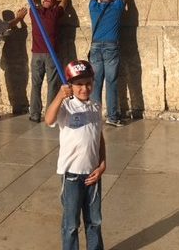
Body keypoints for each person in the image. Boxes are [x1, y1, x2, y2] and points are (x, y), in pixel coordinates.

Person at [45, 60, 106, 250]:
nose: (84, 88)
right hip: (71, 175)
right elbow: (49, 119)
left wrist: (102, 164)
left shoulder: (95, 107)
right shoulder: (66, 107)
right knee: (71, 224)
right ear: (70, 85)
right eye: (79, 84)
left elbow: (99, 138)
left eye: (88, 83)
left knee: (94, 221)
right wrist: (58, 97)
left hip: (93, 174)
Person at [29, 0, 71, 123]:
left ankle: (34, 114)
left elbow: (33, 0)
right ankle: (49, 114)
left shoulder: (36, 13)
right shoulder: (54, 14)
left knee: (36, 85)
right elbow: (65, 1)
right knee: (52, 85)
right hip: (50, 55)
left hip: (36, 54)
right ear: (54, 5)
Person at [88, 0, 126, 127]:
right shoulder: (117, 7)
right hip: (111, 46)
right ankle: (112, 117)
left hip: (95, 47)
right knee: (111, 82)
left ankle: (95, 117)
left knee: (96, 82)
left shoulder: (93, 7)